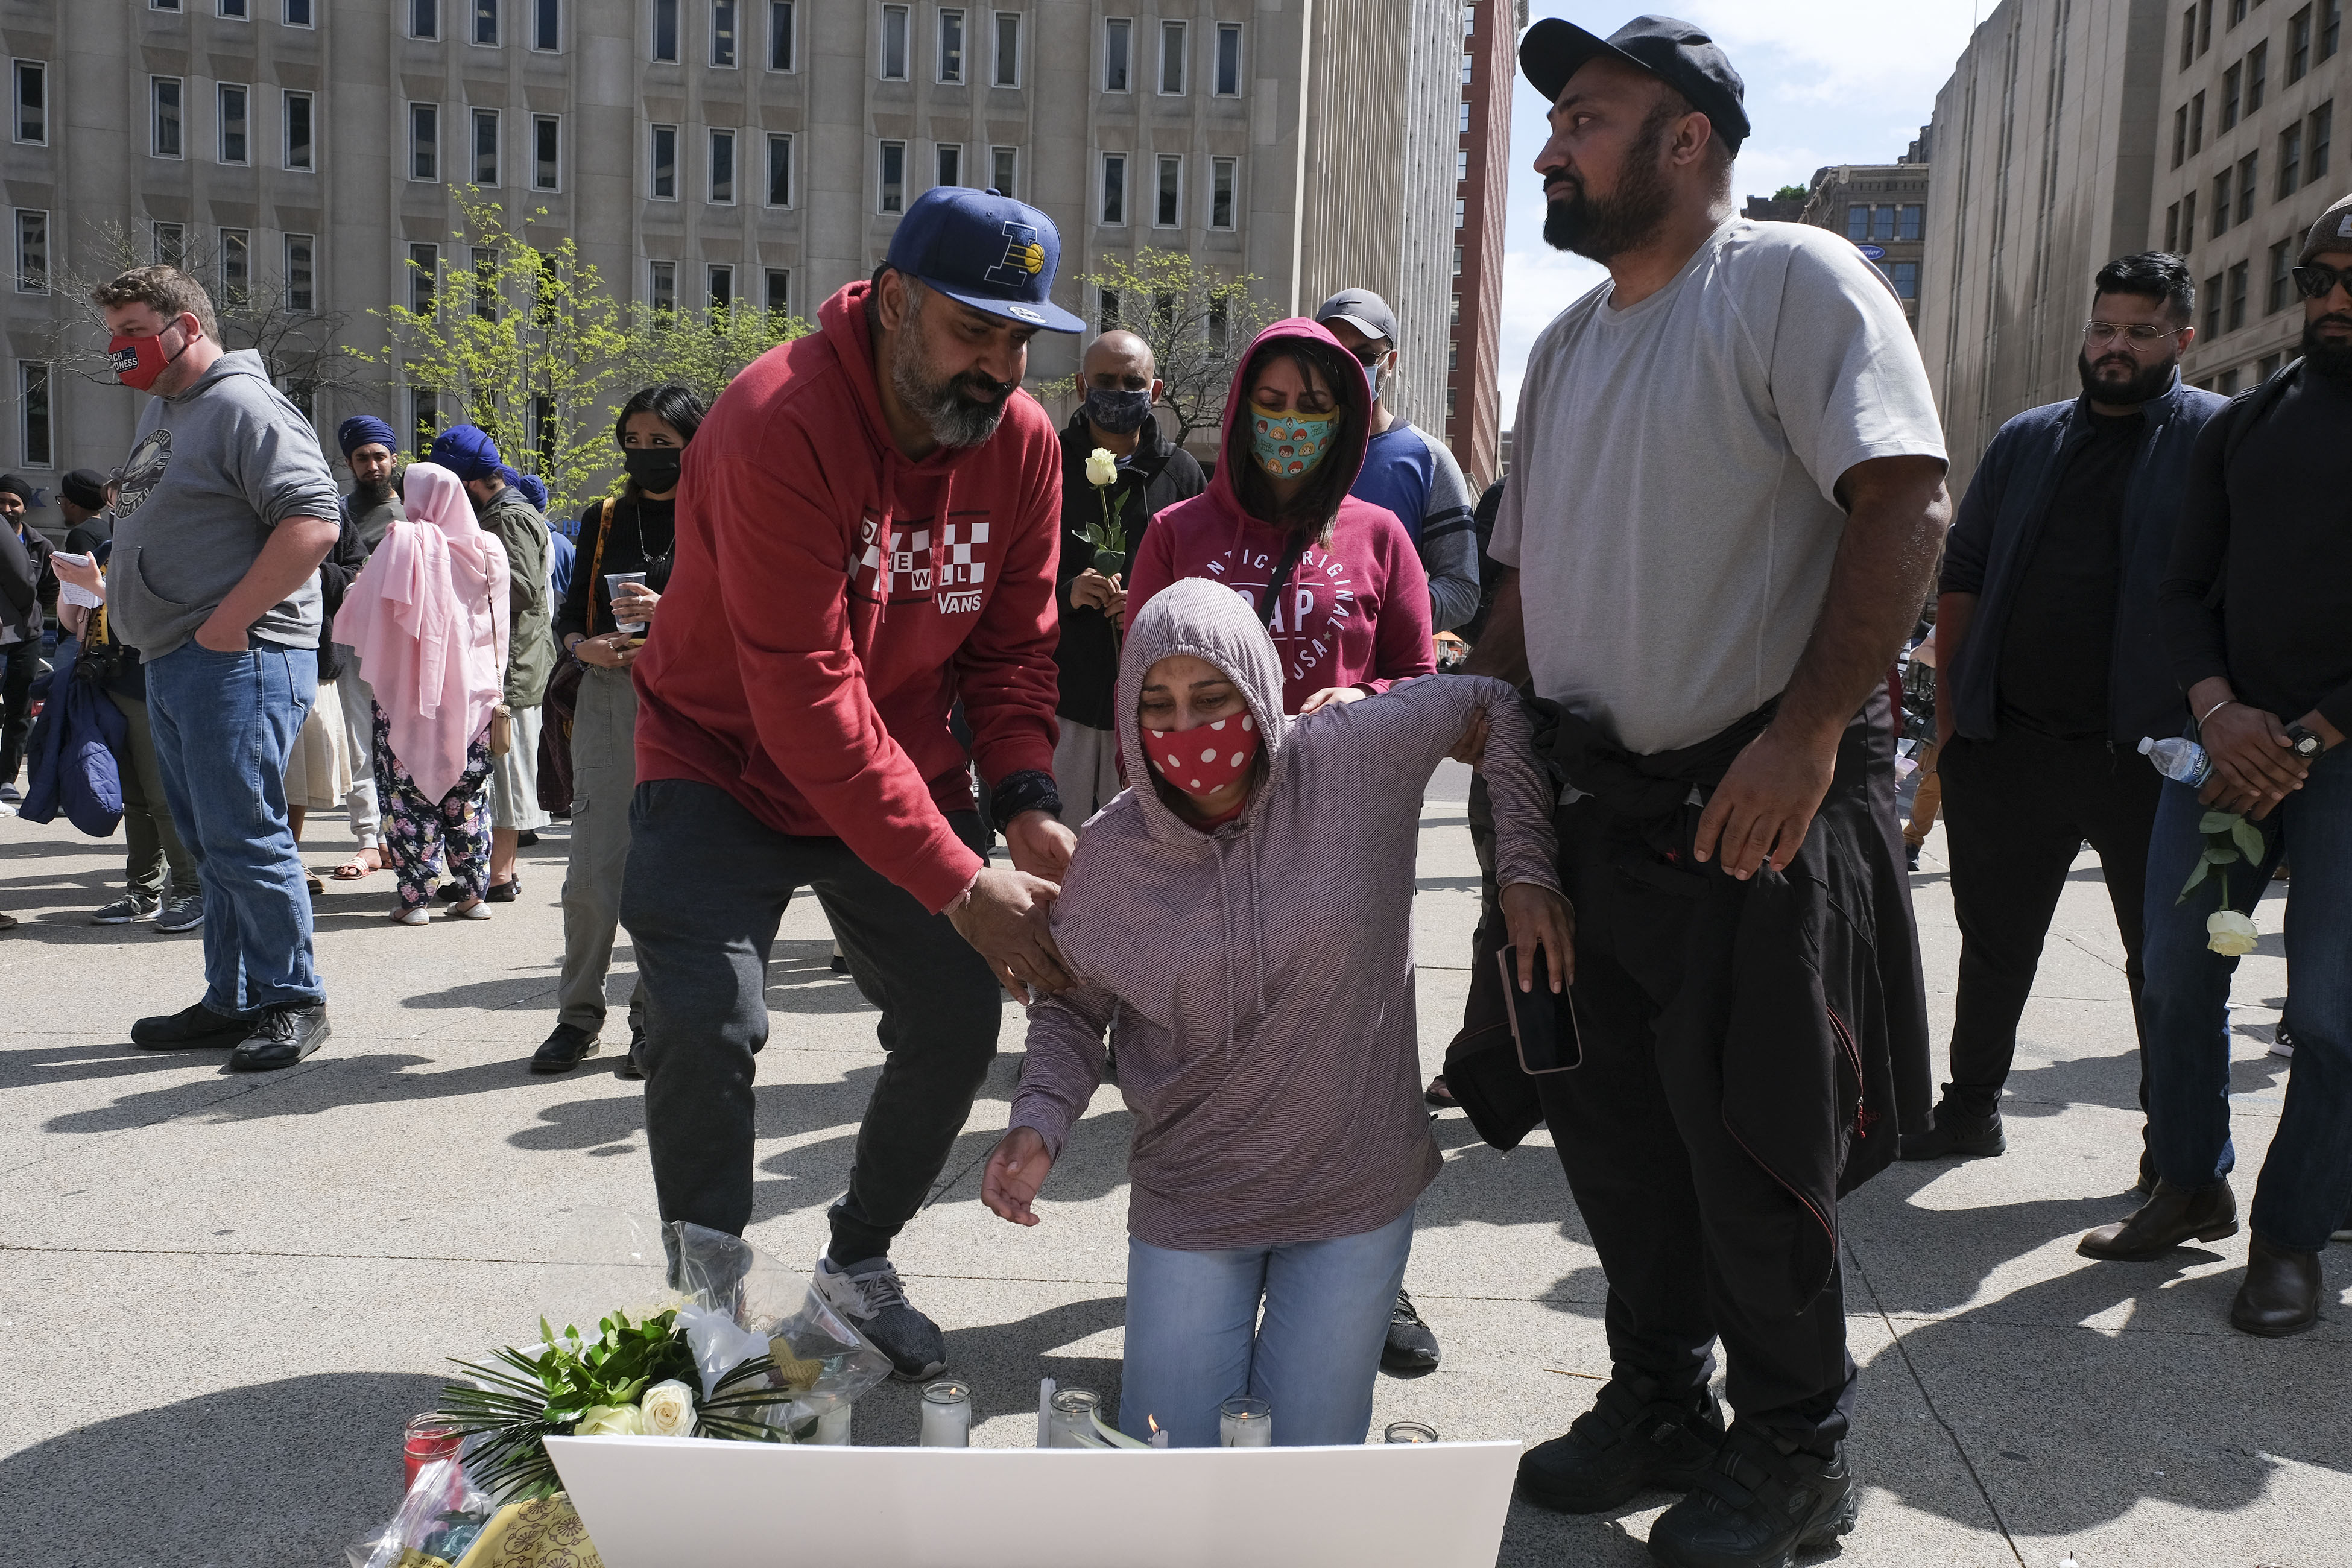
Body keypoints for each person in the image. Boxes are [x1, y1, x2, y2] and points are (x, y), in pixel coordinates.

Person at [1483, 21, 1949, 1564]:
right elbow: (1514, 615)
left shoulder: (1793, 283)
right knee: (1618, 1145)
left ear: (1687, 141)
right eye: (1553, 119)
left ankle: (1800, 1457)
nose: (1551, 145)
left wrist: (1809, 736)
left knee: (1755, 1159)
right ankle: (1662, 1400)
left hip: (1753, 815)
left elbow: (1904, 501)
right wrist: (1509, 822)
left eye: (1587, 118)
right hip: (1598, 821)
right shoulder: (1562, 350)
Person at [621, 186, 1084, 1381]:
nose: (997, 366)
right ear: (891, 304)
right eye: (970, 332)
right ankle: (708, 1310)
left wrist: (1025, 798)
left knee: (955, 1010)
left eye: (1018, 339)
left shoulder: (1025, 442)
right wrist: (955, 877)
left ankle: (856, 1268)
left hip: (899, 756)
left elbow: (1010, 647)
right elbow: (805, 695)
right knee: (705, 1019)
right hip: (722, 755)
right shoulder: (781, 421)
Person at [982, 577, 1570, 1446]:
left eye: (1214, 699)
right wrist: (1039, 1120)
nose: (1188, 732)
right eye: (1160, 705)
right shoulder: (1111, 852)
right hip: (1195, 1195)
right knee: (1173, 1460)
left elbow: (1493, 702)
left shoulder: (1352, 755)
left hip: (1353, 1192)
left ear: (1259, 689)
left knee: (1308, 1471)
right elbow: (1074, 1006)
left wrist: (1524, 869)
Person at [2076, 194, 2352, 1338]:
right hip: (2224, 753)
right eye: (2319, 277)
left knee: (2334, 1018)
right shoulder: (2248, 424)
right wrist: (2222, 711)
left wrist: (2306, 735)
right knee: (2180, 979)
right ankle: (2188, 1182)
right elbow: (2181, 591)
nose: (2335, 299)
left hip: (2334, 762)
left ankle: (2291, 1237)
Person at [1906, 254, 2228, 1175]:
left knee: (2161, 968)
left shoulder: (2219, 437)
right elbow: (1962, 571)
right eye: (2103, 328)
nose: (2115, 348)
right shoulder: (2028, 439)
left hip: (2156, 758)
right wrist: (1957, 713)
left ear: (2183, 340)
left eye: (2139, 332)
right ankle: (1969, 1110)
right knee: (1993, 945)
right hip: (2014, 746)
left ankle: (2170, 1152)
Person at [98, 265, 341, 1071]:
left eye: (133, 332)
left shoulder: (242, 405)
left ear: (186, 329)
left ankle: (292, 1000)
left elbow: (312, 520)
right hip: (177, 656)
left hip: (234, 656)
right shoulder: (169, 410)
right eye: (115, 334)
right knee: (211, 846)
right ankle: (233, 997)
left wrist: (229, 626)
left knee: (243, 836)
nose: (119, 349)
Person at [1125, 318, 1433, 717]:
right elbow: (1136, 682)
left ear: (1341, 419)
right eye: (1271, 403)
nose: (1290, 423)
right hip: (1203, 776)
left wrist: (1366, 696)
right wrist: (1138, 773)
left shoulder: (1382, 536)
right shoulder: (1174, 532)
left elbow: (1420, 682)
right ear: (1242, 409)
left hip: (1338, 773)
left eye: (1312, 407)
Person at [535, 383, 708, 1075]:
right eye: (632, 442)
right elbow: (569, 613)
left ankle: (651, 1019)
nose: (644, 455)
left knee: (667, 876)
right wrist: (584, 647)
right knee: (591, 875)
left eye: (660, 444)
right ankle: (577, 1016)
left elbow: (744, 616)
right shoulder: (603, 516)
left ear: (694, 445)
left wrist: (673, 614)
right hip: (609, 699)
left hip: (687, 702)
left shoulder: (718, 515)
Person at [334, 461, 511, 925]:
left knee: (407, 799)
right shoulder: (489, 547)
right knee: (468, 799)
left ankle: (415, 901)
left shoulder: (403, 542)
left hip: (406, 696)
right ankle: (474, 895)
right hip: (473, 699)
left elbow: (363, 605)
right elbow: (500, 624)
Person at [1052, 329, 1206, 817]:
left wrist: (1148, 611)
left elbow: (1204, 587)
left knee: (1152, 845)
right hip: (1064, 697)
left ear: (1155, 392)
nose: (1118, 392)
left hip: (1156, 700)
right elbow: (1008, 577)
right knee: (1061, 852)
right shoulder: (1047, 463)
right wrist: (1066, 592)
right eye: (1104, 380)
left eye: (1132, 382)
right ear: (1081, 386)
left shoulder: (1183, 475)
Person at [48, 545, 205, 929]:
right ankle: (143, 891)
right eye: (116, 489)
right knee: (134, 798)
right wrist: (69, 588)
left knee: (164, 795)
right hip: (111, 684)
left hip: (153, 680)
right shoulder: (106, 548)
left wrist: (97, 586)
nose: (120, 496)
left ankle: (192, 891)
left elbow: (156, 614)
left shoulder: (163, 541)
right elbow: (74, 625)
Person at [1313, 289, 1482, 633]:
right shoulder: (1286, 446)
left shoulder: (1429, 460)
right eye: (1333, 356)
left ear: (1390, 363)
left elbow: (1462, 589)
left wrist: (1384, 613)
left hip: (1383, 682)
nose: (1347, 368)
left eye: (1363, 356)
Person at [325, 416, 405, 883]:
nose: (372, 465)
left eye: (379, 456)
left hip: (403, 647)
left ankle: (404, 835)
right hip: (351, 644)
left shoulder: (417, 513)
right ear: (350, 462)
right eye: (362, 458)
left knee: (402, 740)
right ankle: (367, 839)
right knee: (359, 741)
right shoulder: (337, 512)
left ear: (394, 458)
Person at [0, 473, 54, 805]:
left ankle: (7, 778)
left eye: (14, 503)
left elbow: (49, 589)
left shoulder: (40, 546)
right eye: (1, 501)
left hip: (27, 636)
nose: (7, 508)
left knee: (19, 705)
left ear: (24, 508)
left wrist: (29, 615)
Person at [57, 469, 114, 556]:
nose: (60, 504)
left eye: (61, 498)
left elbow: (76, 570)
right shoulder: (109, 530)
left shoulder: (81, 534)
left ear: (71, 503)